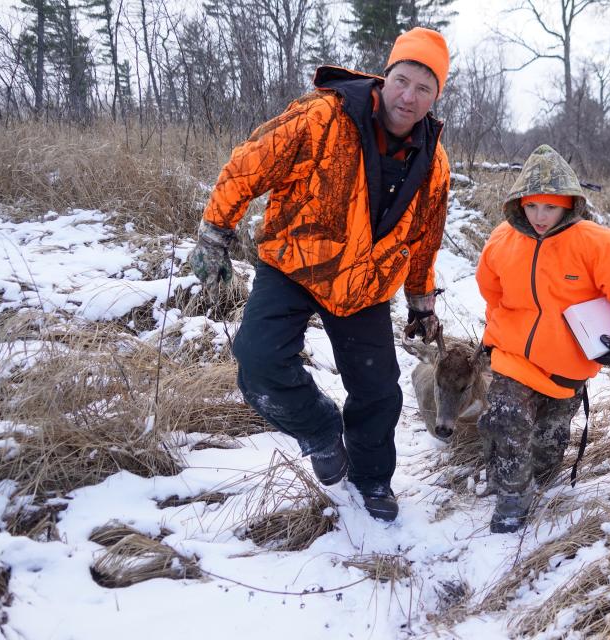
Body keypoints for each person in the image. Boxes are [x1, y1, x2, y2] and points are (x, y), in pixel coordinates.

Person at [187, 28, 451, 522]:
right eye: (402, 80)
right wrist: (213, 232)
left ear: (436, 97)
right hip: (294, 261)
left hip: (364, 285)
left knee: (379, 390)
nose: (408, 97)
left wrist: (421, 301)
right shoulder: (323, 115)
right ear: (384, 76)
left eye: (424, 88)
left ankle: (372, 481)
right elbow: (248, 165)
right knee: (258, 360)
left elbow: (425, 239)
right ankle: (320, 430)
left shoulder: (433, 163)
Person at [475, 145, 610, 533]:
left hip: (567, 369)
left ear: (569, 204)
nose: (540, 217)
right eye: (531, 207)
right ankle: (511, 499)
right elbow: (493, 296)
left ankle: (541, 483)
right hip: (513, 358)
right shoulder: (501, 240)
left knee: (547, 451)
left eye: (550, 207)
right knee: (506, 418)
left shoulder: (600, 243)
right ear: (519, 204)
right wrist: (492, 339)